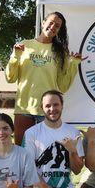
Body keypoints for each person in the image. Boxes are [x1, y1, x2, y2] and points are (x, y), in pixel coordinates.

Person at [6, 12, 85, 145]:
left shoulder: (60, 52)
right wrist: (15, 56)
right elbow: (10, 77)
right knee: (21, 152)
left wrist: (74, 64)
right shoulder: (24, 45)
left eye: (57, 26)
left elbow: (63, 86)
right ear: (43, 23)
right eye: (51, 22)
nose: (53, 27)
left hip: (48, 111)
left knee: (45, 155)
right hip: (24, 108)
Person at [23, 90, 89, 188]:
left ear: (62, 106)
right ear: (42, 108)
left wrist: (72, 151)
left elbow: (77, 170)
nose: (52, 109)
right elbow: (28, 170)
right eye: (48, 106)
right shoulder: (31, 133)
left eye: (56, 105)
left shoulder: (73, 132)